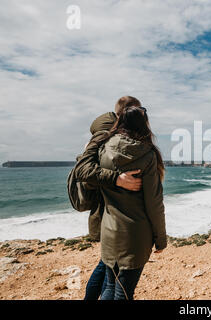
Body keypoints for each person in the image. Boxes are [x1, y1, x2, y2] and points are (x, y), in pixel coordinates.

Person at [74, 96, 144, 300]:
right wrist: (118, 179)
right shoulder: (108, 134)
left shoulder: (110, 133)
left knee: (106, 269)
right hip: (111, 216)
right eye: (139, 111)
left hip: (107, 215)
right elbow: (84, 172)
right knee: (113, 282)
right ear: (127, 113)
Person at [96, 105, 167, 300]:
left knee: (110, 287)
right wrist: (161, 239)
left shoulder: (103, 149)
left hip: (109, 232)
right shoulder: (148, 155)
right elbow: (154, 204)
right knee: (124, 292)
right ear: (144, 125)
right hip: (135, 236)